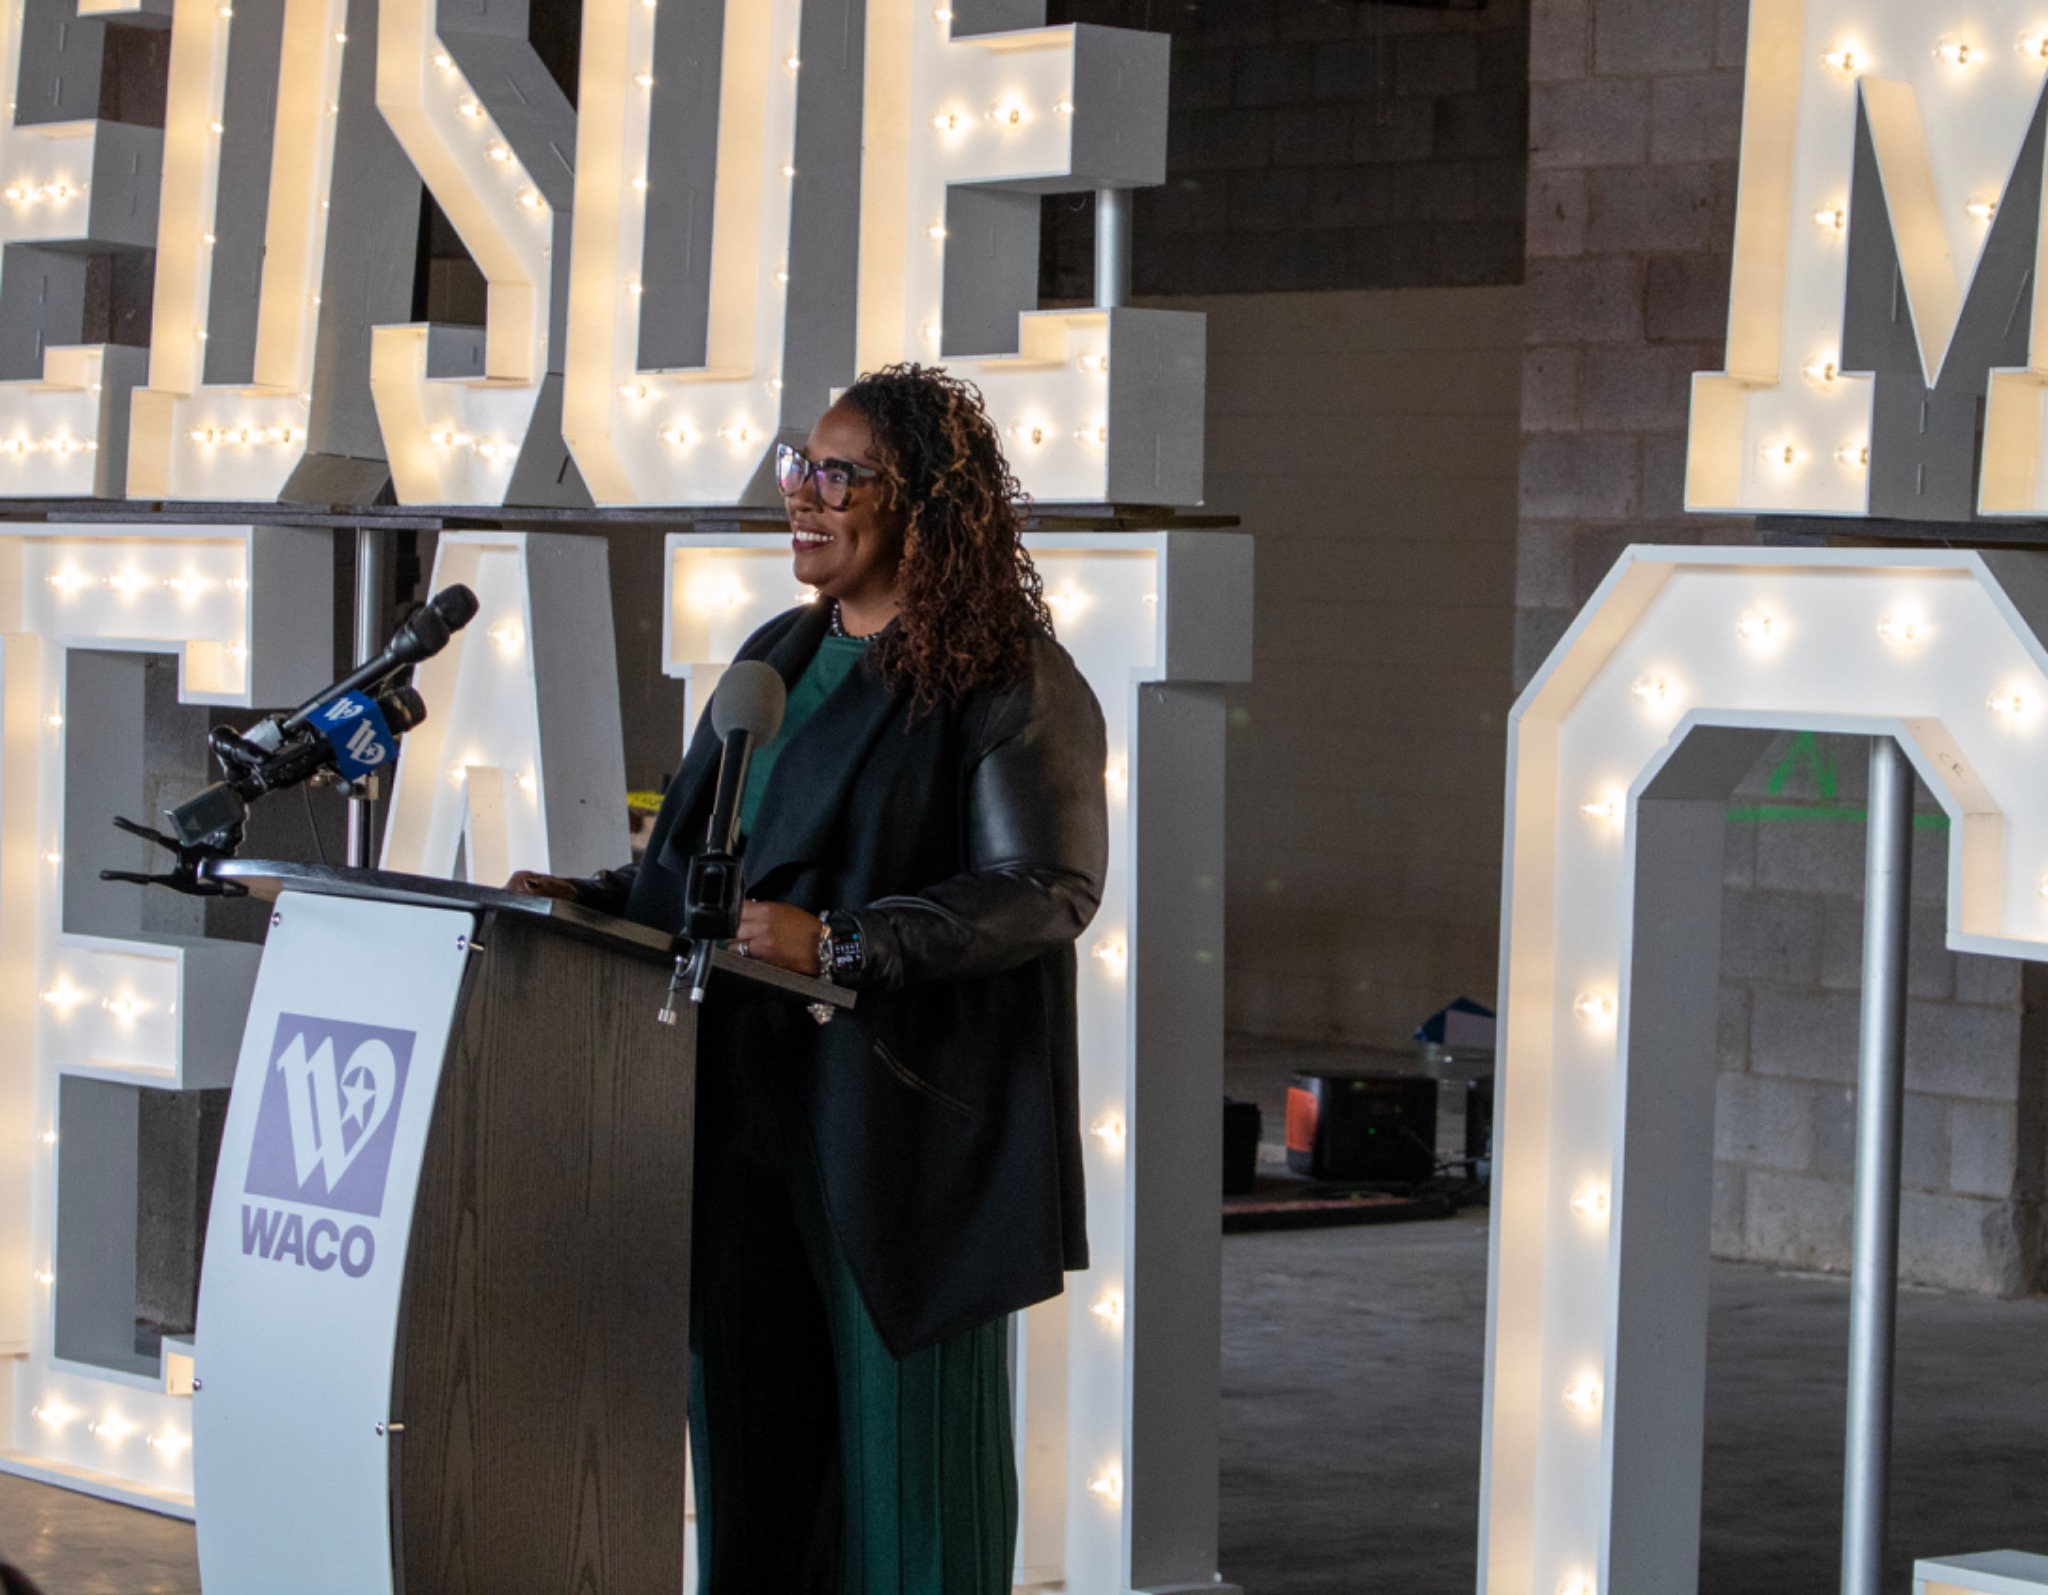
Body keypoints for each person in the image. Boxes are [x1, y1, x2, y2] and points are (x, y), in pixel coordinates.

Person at [511, 363, 1108, 1594]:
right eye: (800, 466)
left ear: (924, 503)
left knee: (910, 1483)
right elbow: (717, 859)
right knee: (754, 1456)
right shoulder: (775, 657)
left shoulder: (1005, 676)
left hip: (898, 1136)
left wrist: (843, 941)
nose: (803, 495)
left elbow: (1044, 888)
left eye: (840, 475)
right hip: (739, 1114)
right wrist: (595, 898)